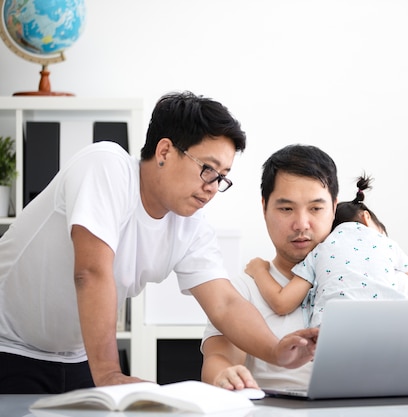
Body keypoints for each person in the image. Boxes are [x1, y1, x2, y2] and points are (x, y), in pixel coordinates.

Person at [0, 92, 317, 394]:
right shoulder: (107, 166)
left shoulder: (191, 224)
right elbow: (91, 272)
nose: (212, 187)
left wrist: (276, 351)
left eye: (222, 177)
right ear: (164, 151)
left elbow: (225, 303)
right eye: (208, 169)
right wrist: (110, 373)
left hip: (75, 356)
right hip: (9, 347)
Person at [201, 144, 408, 391]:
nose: (301, 224)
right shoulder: (242, 290)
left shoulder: (390, 281)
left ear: (334, 207)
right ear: (264, 207)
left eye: (316, 208)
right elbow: (219, 358)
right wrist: (223, 376)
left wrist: (360, 367)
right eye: (286, 208)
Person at [245, 173, 408, 327]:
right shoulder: (387, 244)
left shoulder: (320, 251)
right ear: (367, 218)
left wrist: (258, 269)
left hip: (331, 335)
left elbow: (282, 303)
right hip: (391, 329)